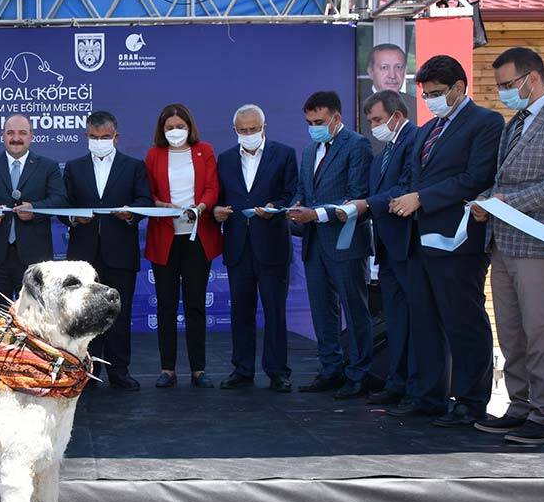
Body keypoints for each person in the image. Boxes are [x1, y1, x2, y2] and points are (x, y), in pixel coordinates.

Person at [471, 47, 544, 444]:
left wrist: (510, 203)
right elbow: (505, 182)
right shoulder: (515, 122)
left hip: (538, 242)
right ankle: (520, 404)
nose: (503, 92)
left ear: (532, 79)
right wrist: (487, 201)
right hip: (502, 243)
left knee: (539, 330)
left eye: (508, 84)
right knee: (511, 330)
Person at [388, 55, 502, 425]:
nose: (431, 99)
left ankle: (470, 399)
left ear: (459, 87)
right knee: (425, 319)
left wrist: (422, 198)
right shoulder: (426, 130)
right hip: (421, 237)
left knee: (462, 320)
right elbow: (415, 177)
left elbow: (476, 177)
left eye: (437, 93)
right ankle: (431, 394)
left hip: (459, 240)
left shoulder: (485, 123)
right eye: (425, 94)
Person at [287, 91, 374, 400]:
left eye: (319, 121)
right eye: (309, 122)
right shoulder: (310, 150)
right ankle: (330, 370)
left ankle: (361, 374)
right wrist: (295, 207)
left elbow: (357, 194)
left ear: (337, 118)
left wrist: (316, 214)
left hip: (345, 241)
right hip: (314, 243)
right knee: (323, 312)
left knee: (355, 310)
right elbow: (303, 190)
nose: (313, 127)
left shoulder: (357, 146)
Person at [62, 111, 153, 391]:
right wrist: (74, 218)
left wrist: (131, 215)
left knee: (119, 315)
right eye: (93, 137)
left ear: (116, 136)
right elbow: (63, 206)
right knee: (84, 315)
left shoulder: (134, 166)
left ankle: (119, 371)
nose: (99, 141)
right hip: (84, 255)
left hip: (120, 252)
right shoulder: (74, 168)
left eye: (104, 137)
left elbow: (144, 200)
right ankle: (87, 370)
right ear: (86, 136)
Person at [343, 90, 420, 406]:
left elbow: (406, 187)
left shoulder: (415, 141)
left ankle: (417, 386)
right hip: (387, 249)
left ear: (396, 116)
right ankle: (396, 381)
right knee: (396, 320)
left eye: (376, 119)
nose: (373, 126)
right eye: (370, 121)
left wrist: (364, 205)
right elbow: (373, 194)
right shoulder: (381, 155)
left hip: (410, 245)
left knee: (417, 322)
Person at [212, 104, 297, 393]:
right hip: (237, 246)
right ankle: (242, 369)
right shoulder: (223, 160)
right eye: (243, 130)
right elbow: (216, 198)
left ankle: (277, 371)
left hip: (272, 243)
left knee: (275, 311)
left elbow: (292, 193)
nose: (248, 134)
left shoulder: (284, 154)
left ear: (264, 127)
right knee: (241, 312)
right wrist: (217, 211)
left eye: (254, 129)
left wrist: (275, 207)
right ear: (234, 130)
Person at [144, 103, 222, 389]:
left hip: (197, 237)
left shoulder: (205, 151)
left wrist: (201, 207)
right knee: (166, 305)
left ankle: (198, 370)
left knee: (194, 304)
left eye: (180, 127)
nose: (175, 132)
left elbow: (213, 187)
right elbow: (147, 192)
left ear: (190, 127)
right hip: (164, 238)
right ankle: (168, 369)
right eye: (169, 128)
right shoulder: (154, 154)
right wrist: (162, 205)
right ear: (161, 131)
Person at [0, 114, 68, 327]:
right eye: (10, 132)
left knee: (35, 322)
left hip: (34, 259)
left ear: (32, 136)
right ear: (2, 136)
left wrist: (35, 209)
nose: (16, 138)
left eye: (22, 133)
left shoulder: (48, 167)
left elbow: (60, 199)